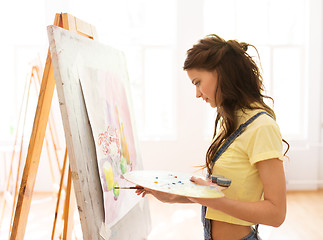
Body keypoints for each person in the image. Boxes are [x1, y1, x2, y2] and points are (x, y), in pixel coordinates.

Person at [136, 34, 289, 240]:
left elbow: (276, 214)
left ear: (221, 73)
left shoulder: (262, 127)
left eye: (198, 82)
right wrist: (172, 196)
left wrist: (212, 199)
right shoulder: (231, 121)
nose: (197, 94)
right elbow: (225, 195)